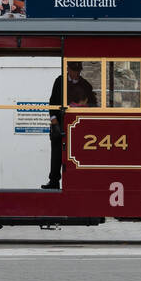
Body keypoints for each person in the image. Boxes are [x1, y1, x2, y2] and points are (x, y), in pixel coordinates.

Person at [43, 61, 96, 189]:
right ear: (68, 69)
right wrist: (54, 122)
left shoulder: (86, 85)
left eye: (78, 71)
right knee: (56, 152)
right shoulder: (59, 82)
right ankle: (54, 181)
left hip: (78, 125)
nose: (76, 73)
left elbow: (94, 104)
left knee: (77, 153)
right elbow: (52, 102)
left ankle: (77, 181)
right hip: (59, 122)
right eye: (73, 70)